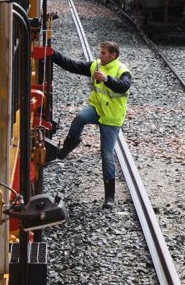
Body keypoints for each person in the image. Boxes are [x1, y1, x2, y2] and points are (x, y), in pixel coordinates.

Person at [53, 41, 132, 209]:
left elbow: (123, 87)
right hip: (97, 109)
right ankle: (66, 150)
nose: (100, 55)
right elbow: (73, 65)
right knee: (80, 118)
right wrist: (54, 55)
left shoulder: (122, 71)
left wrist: (106, 79)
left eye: (103, 53)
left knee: (107, 155)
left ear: (113, 56)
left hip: (111, 118)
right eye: (100, 52)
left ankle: (109, 197)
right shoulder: (96, 65)